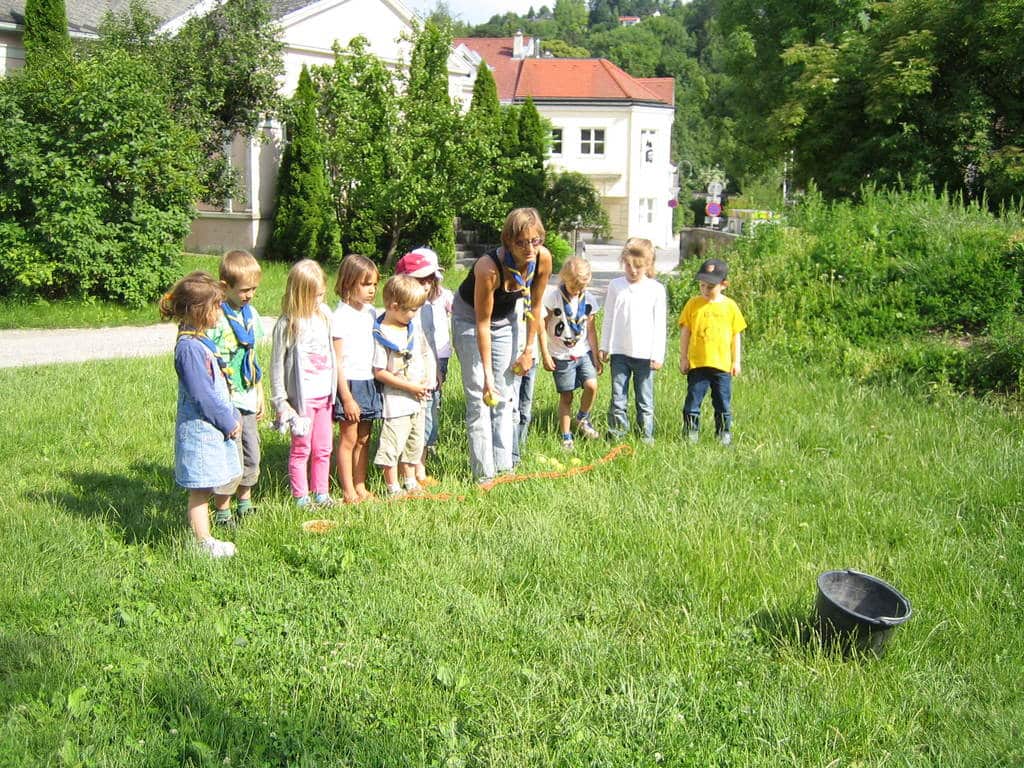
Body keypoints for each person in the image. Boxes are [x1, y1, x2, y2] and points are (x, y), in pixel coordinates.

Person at [452, 207, 553, 482]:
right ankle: (484, 476)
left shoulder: (542, 259)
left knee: (505, 395)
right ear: (508, 240)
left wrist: (528, 350)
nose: (530, 248)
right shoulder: (488, 268)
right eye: (522, 242)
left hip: (506, 320)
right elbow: (482, 324)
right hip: (470, 320)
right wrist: (486, 376)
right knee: (481, 396)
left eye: (535, 240)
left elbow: (535, 306)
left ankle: (505, 469)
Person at [160, 271, 241, 558]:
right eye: (216, 306)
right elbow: (203, 395)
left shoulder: (199, 341)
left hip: (211, 429)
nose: (220, 311)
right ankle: (202, 541)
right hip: (201, 431)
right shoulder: (189, 349)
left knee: (205, 486)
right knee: (200, 490)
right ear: (198, 310)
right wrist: (228, 421)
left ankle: (204, 537)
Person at [270, 259, 337, 508]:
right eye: (314, 296)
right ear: (300, 294)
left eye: (321, 294)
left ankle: (322, 493)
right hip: (302, 400)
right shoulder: (288, 324)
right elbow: (276, 366)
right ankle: (301, 497)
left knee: (323, 447)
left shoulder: (325, 315)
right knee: (301, 448)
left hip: (324, 396)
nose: (319, 300)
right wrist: (281, 402)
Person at [207, 250, 265, 527]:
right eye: (243, 290)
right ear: (224, 287)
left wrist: (260, 391)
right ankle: (223, 511)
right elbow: (208, 360)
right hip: (226, 399)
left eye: (253, 289)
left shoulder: (251, 316)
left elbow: (253, 357)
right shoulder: (217, 318)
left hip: (247, 395)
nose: (249, 295)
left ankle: (245, 502)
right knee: (230, 453)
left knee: (252, 450)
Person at [372, 275, 435, 497]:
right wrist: (409, 387)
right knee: (393, 443)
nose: (415, 314)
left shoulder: (411, 327)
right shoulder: (382, 333)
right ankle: (393, 487)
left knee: (414, 443)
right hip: (397, 402)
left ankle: (410, 480)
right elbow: (380, 372)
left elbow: (424, 354)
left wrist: (428, 379)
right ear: (394, 306)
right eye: (412, 310)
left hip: (418, 399)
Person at [599, 237, 667, 444]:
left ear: (648, 265)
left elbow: (660, 325)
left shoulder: (656, 289)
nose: (633, 270)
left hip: (645, 355)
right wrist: (604, 346)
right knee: (618, 397)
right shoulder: (616, 286)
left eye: (638, 266)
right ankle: (617, 434)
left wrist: (658, 355)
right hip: (619, 352)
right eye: (628, 265)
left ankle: (645, 436)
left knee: (644, 398)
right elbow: (608, 317)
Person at [395, 247, 452, 487]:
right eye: (421, 280)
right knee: (407, 424)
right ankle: (405, 472)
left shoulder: (427, 309)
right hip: (407, 378)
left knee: (428, 421)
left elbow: (430, 344)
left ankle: (420, 468)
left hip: (428, 375)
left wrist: (436, 371)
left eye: (430, 280)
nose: (427, 285)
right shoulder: (399, 313)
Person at [678, 257, 747, 446]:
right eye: (702, 285)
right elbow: (685, 332)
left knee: (722, 403)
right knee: (692, 402)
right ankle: (691, 433)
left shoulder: (730, 307)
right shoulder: (693, 304)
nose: (705, 290)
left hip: (722, 366)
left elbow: (736, 335)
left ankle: (723, 434)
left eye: (710, 287)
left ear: (724, 284)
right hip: (698, 364)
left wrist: (736, 361)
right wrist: (683, 358)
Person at [331, 254, 382, 503]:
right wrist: (347, 397)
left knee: (364, 438)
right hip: (349, 384)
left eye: (374, 284)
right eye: (365, 284)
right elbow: (337, 362)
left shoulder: (371, 313)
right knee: (349, 438)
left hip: (368, 381)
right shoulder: (340, 316)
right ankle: (348, 489)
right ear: (348, 283)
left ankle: (361, 485)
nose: (372, 290)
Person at [539, 256, 603, 450]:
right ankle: (566, 436)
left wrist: (596, 356)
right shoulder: (553, 297)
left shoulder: (588, 299)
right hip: (561, 355)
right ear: (564, 278)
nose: (576, 290)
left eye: (581, 286)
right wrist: (545, 354)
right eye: (573, 285)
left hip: (583, 352)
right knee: (567, 396)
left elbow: (591, 329)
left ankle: (582, 418)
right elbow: (542, 325)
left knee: (592, 385)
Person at [510, 296, 540, 467]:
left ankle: (521, 447)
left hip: (531, 358)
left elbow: (540, 325)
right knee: (513, 409)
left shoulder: (532, 297)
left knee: (525, 408)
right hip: (513, 360)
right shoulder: (508, 297)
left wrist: (544, 353)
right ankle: (513, 456)